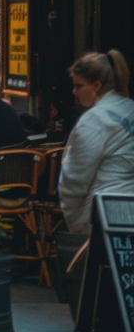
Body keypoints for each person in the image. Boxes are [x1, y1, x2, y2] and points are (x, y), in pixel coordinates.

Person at [59, 50, 134, 235]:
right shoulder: (129, 108)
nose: (74, 92)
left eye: (79, 86)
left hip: (103, 214)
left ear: (96, 85)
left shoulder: (94, 120)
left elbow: (75, 179)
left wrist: (72, 218)